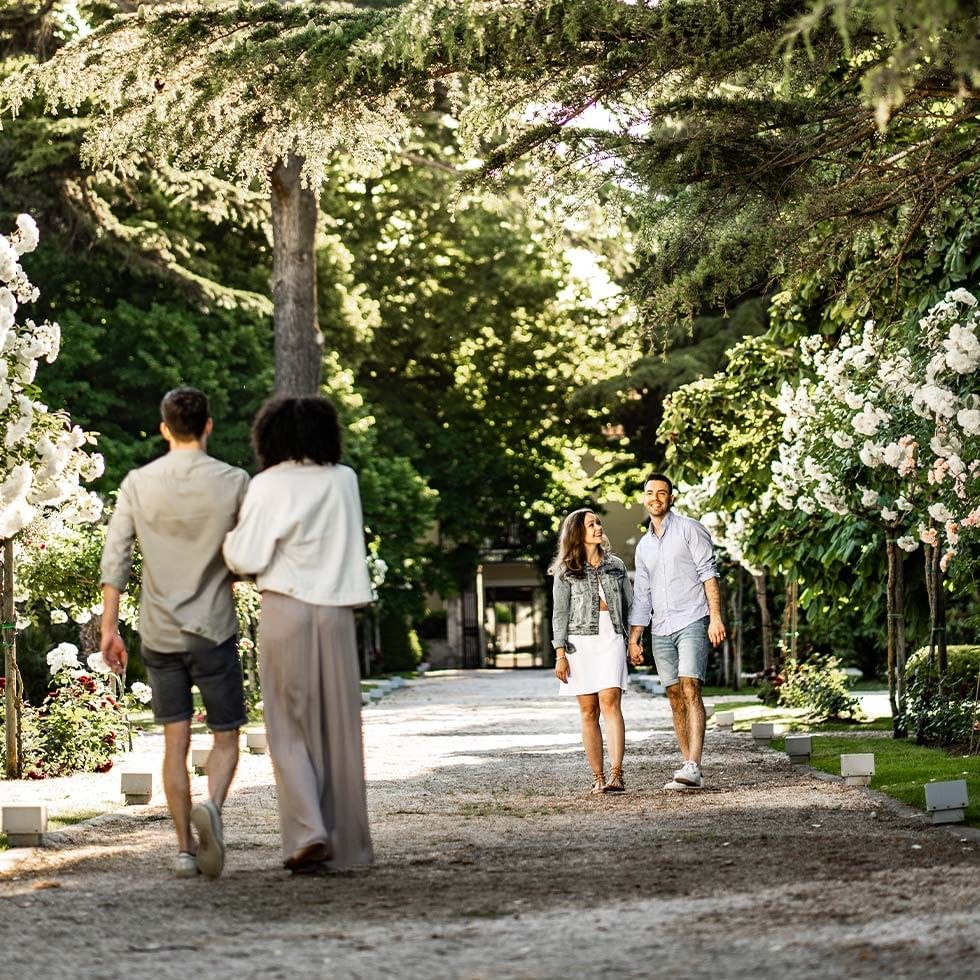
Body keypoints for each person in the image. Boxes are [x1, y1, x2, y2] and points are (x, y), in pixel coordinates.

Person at [100, 387, 250, 879]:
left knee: (174, 743)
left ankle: (185, 849)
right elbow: (248, 554)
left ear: (165, 429)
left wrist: (109, 628)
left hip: (160, 631)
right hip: (213, 629)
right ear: (208, 426)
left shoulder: (138, 483)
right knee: (226, 734)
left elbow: (116, 557)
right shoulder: (234, 481)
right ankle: (213, 807)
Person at [222, 395, 375, 875]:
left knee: (288, 725)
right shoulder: (344, 479)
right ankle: (348, 846)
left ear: (270, 437)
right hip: (336, 613)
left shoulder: (268, 483)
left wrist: (227, 540)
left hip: (286, 607)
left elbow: (245, 557)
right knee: (339, 729)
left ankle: (308, 832)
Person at [628, 473, 727, 790]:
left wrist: (715, 618)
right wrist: (635, 636)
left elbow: (709, 574)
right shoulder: (643, 546)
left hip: (692, 620)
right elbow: (642, 595)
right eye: (650, 493)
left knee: (690, 687)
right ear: (644, 498)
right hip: (661, 629)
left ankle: (694, 765)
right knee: (674, 696)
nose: (655, 498)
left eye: (662, 492)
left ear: (671, 498)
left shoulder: (689, 529)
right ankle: (688, 766)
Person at [551, 508, 639, 794]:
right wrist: (560, 654)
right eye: (591, 524)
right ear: (578, 532)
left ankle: (617, 774)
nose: (598, 527)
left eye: (598, 523)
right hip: (579, 644)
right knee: (588, 710)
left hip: (611, 637)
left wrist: (634, 640)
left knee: (611, 702)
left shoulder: (616, 566)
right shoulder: (566, 570)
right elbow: (559, 614)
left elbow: (631, 605)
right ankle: (598, 776)